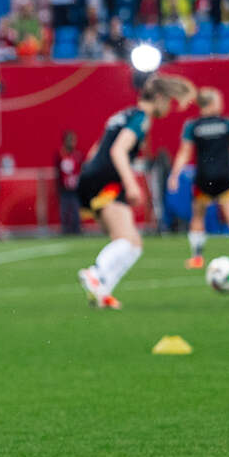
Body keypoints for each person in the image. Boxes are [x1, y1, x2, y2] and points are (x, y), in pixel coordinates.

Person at [76, 74, 195, 309]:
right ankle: (96, 273)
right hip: (107, 181)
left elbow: (97, 148)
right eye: (169, 102)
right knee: (126, 240)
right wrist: (131, 184)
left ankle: (102, 291)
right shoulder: (141, 119)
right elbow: (118, 151)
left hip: (95, 177)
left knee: (134, 244)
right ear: (159, 98)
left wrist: (91, 176)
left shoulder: (123, 114)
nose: (169, 109)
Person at [166, 87, 229, 269]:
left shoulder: (193, 126)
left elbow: (185, 152)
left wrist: (174, 175)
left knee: (198, 216)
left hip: (204, 177)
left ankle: (197, 256)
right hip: (225, 175)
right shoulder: (226, 123)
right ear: (212, 103)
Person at [55, 130, 82, 235]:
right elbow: (58, 172)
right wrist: (58, 187)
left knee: (75, 210)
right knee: (64, 210)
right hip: (64, 189)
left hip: (75, 189)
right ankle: (65, 230)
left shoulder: (77, 155)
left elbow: (80, 171)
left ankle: (76, 230)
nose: (72, 143)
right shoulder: (60, 155)